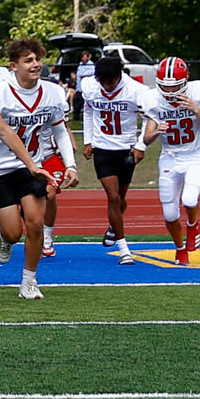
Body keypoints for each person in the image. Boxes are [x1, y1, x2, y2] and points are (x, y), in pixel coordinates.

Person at [0, 38, 77, 300]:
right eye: (28, 60)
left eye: (37, 59)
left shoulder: (53, 92)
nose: (35, 65)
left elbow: (59, 128)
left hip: (33, 167)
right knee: (13, 233)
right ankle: (3, 235)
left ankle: (29, 281)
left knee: (35, 224)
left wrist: (70, 164)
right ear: (14, 66)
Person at [78, 50, 154, 262]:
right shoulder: (91, 86)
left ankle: (113, 226)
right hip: (102, 149)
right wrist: (88, 140)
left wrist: (141, 145)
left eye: (111, 81)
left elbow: (150, 118)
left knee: (120, 200)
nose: (107, 86)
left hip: (126, 148)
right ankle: (124, 249)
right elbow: (89, 110)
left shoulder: (136, 90)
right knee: (112, 197)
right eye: (103, 81)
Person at [144, 56, 200, 262]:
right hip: (169, 156)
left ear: (185, 82)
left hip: (195, 154)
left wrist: (196, 108)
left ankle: (193, 224)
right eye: (165, 87)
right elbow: (147, 138)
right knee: (169, 214)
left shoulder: (199, 92)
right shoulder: (152, 99)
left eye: (175, 87)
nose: (169, 92)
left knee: (189, 199)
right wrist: (156, 132)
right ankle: (180, 248)